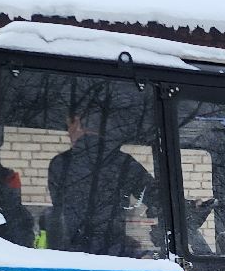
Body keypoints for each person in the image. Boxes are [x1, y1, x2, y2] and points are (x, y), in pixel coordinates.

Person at [47, 88, 166, 257]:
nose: (69, 132)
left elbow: (62, 210)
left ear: (79, 123)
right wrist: (186, 208)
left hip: (73, 253)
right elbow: (156, 197)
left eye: (70, 125)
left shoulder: (60, 164)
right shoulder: (124, 163)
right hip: (111, 253)